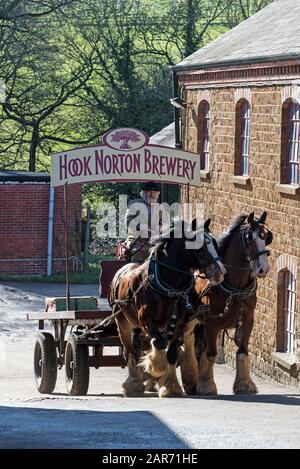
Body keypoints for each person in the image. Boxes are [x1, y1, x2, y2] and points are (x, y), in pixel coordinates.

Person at [124, 181, 164, 263]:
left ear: (157, 194)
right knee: (137, 253)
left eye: (154, 192)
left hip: (155, 240)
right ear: (143, 193)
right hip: (136, 240)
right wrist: (141, 227)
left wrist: (160, 228)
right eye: (149, 192)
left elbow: (163, 224)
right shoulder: (134, 203)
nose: (152, 194)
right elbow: (128, 220)